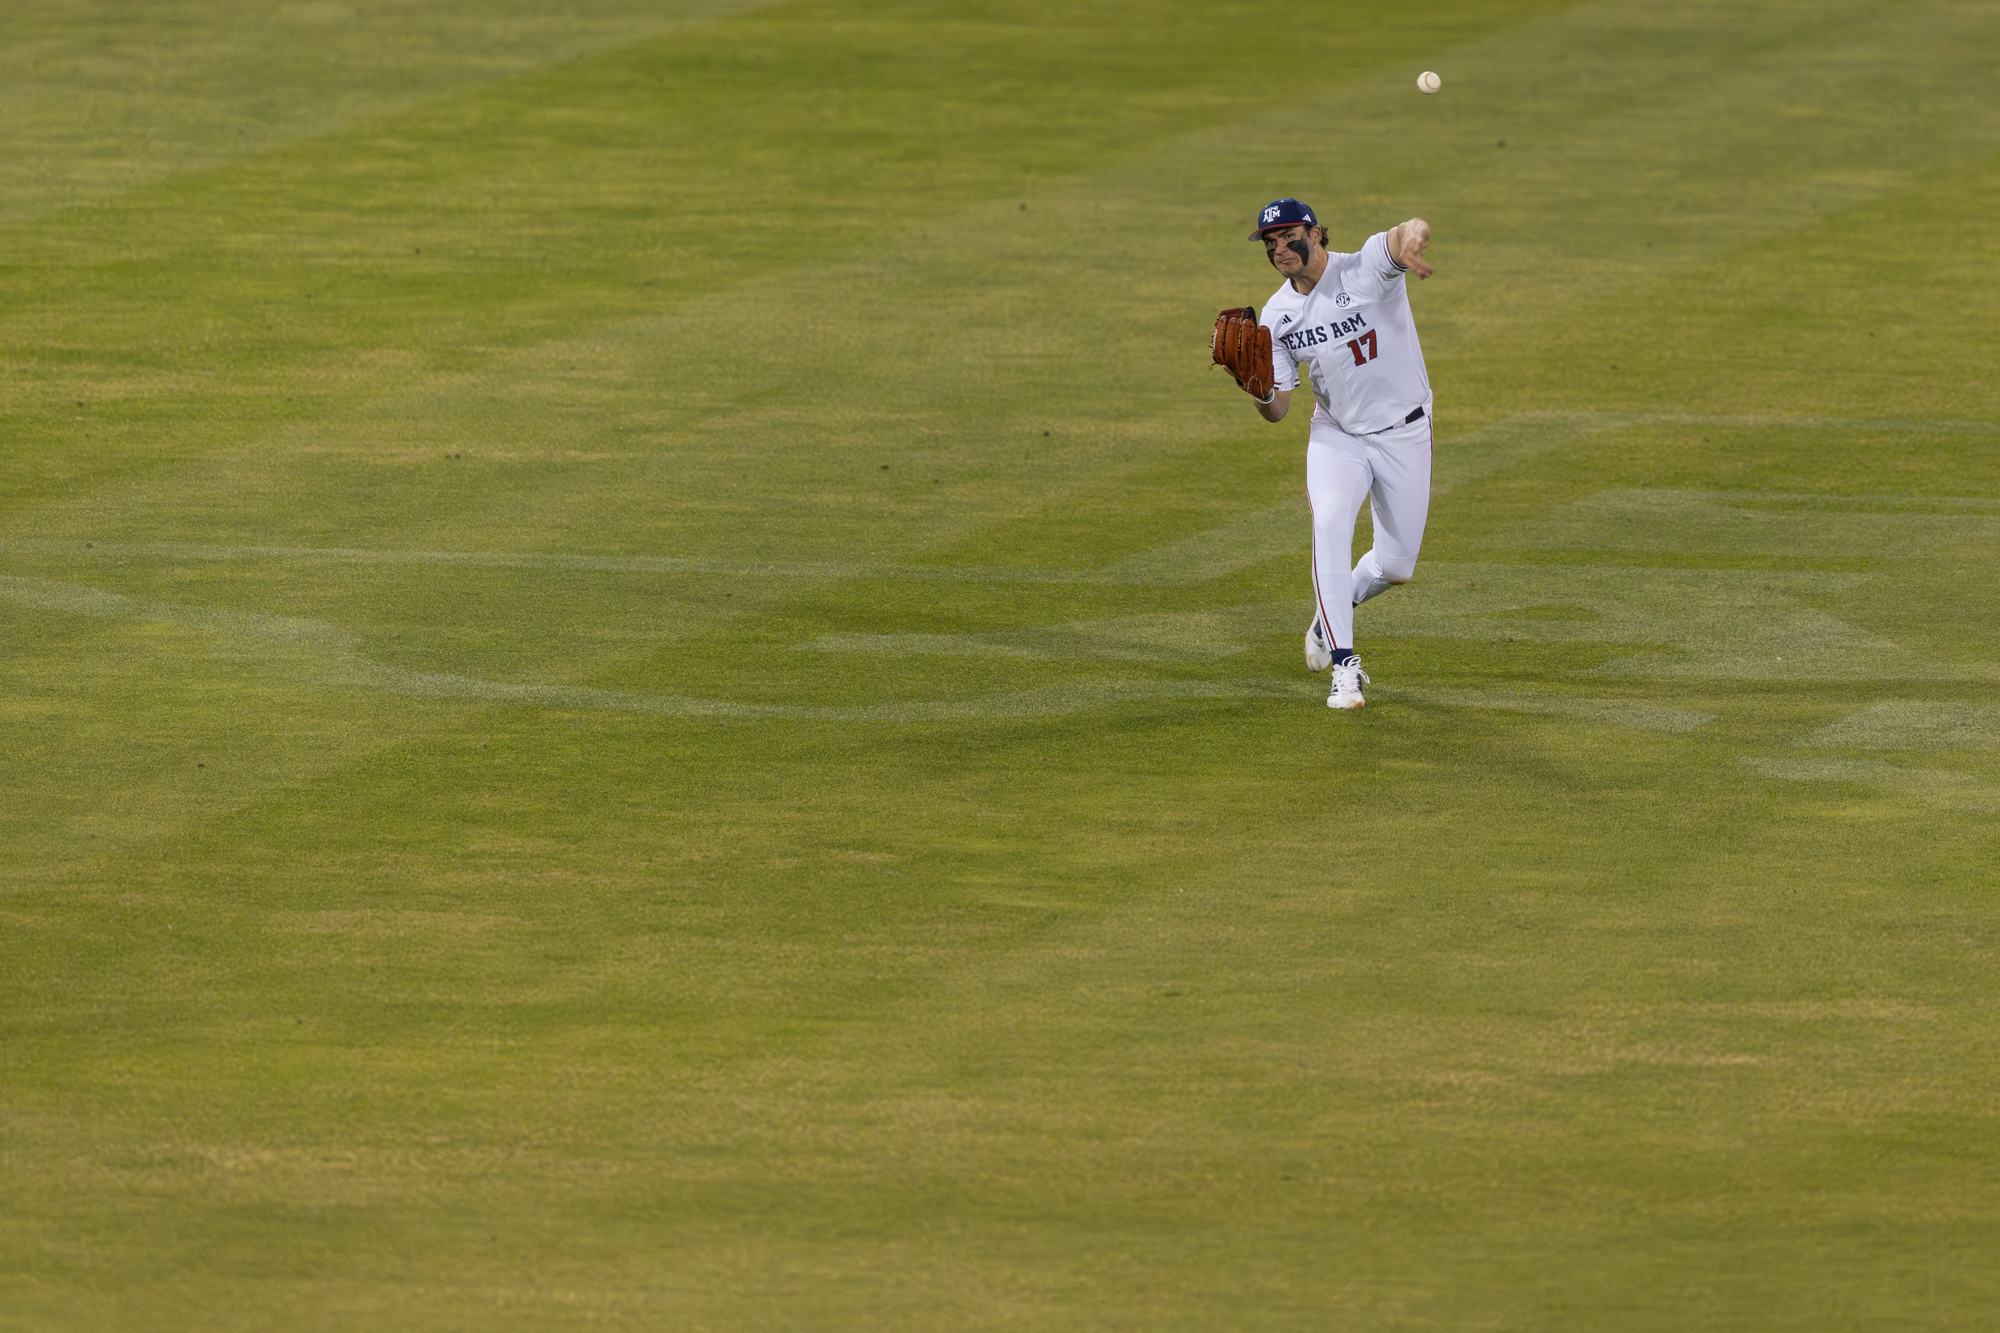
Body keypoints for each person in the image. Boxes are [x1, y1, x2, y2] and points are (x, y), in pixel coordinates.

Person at [1238, 197, 1434, 710]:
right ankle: (1345, 670)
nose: (1281, 249)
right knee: (1329, 522)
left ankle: (1333, 611)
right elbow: (1279, 409)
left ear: (1316, 232)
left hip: (1404, 432)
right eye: (1271, 243)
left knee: (1396, 567)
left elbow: (1403, 230)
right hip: (1338, 435)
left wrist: (1413, 238)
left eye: (1289, 236)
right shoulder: (1277, 316)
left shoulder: (1364, 269)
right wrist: (1257, 390)